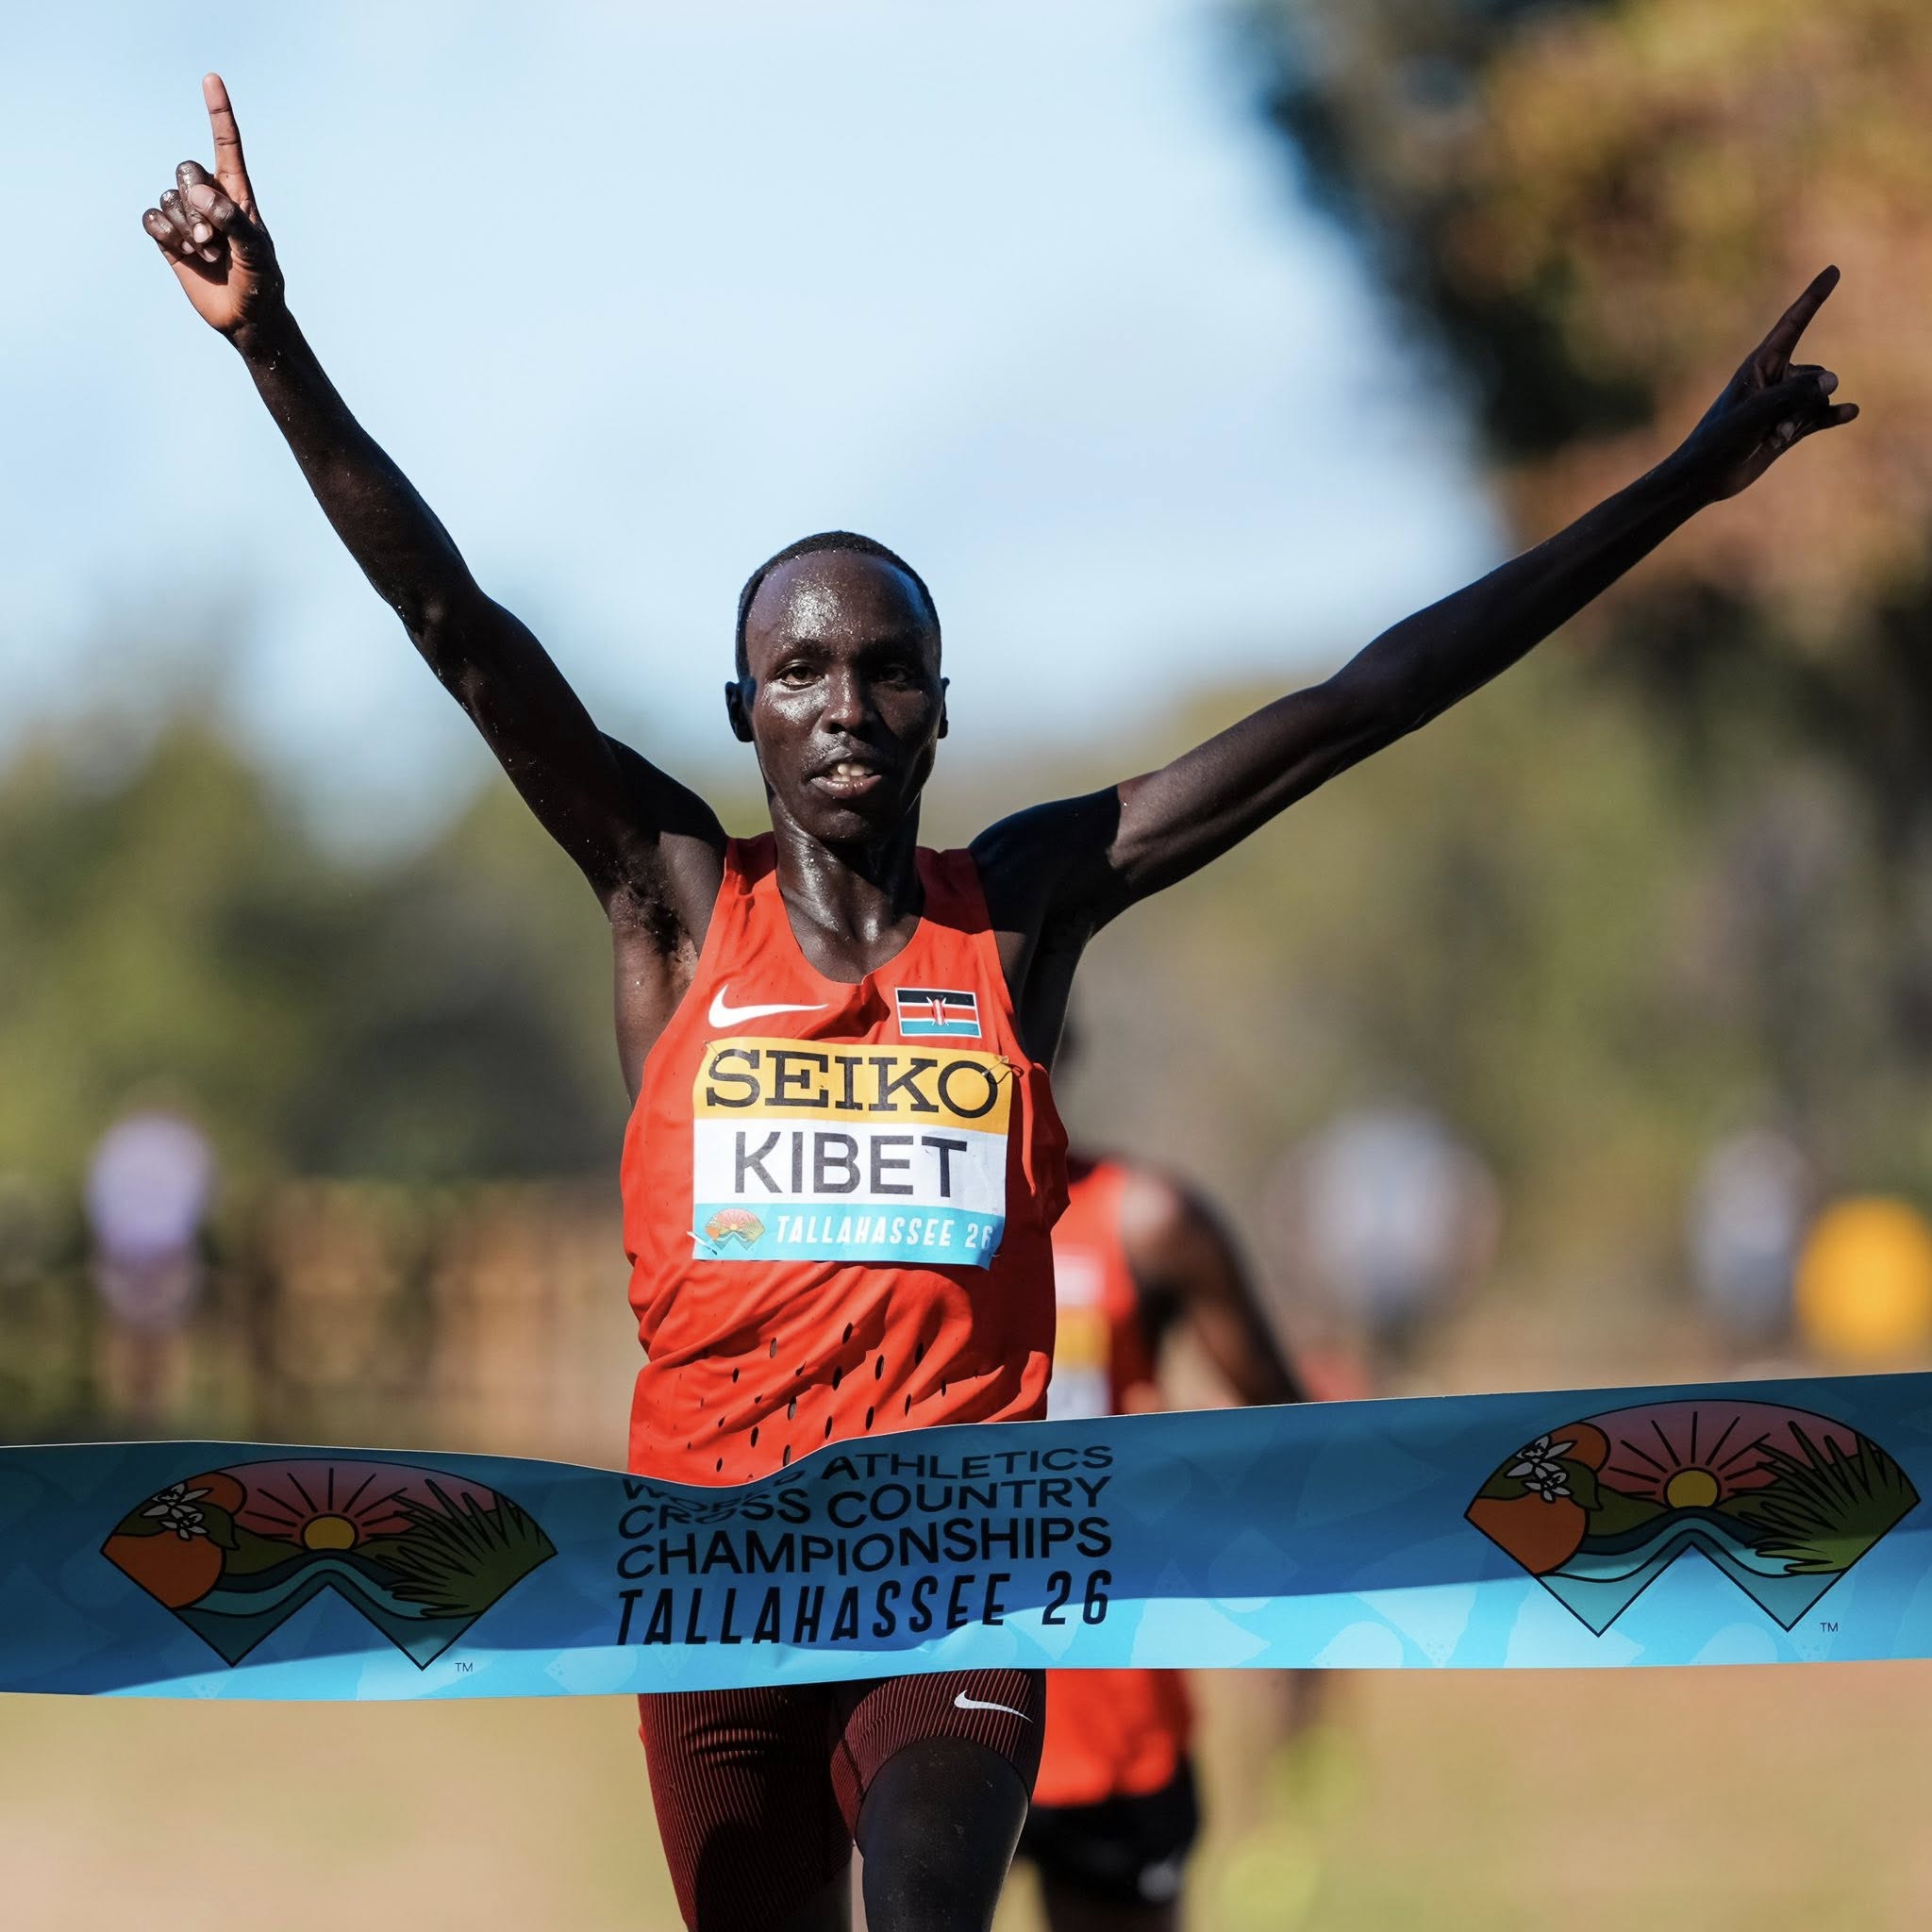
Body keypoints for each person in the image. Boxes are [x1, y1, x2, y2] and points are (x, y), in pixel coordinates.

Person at [142, 72, 1856, 1932]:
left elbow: (1361, 703)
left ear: (942, 707)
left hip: (966, 1572)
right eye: (800, 673)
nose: (849, 708)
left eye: (890, 672)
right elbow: (459, 629)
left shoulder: (1019, 911)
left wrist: (1681, 481)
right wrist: (274, 344)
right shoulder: (669, 899)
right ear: (744, 716)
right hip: (708, 1584)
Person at [1020, 1150, 1301, 1931]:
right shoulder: (878, 1217)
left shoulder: (1144, 1220)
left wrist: (1205, 1473)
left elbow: (1291, 1436)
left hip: (1110, 1696)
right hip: (927, 1677)